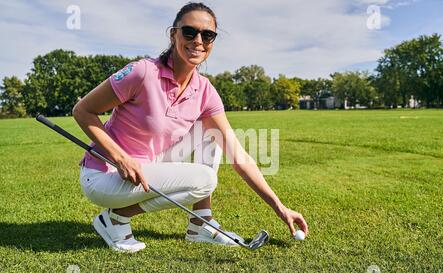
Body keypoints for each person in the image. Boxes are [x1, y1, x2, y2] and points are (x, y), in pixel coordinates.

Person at [73, 2, 308, 253]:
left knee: (212, 134)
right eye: (189, 32)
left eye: (207, 35)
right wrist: (120, 157)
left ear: (212, 42)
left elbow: (238, 156)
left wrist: (279, 207)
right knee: (205, 180)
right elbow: (82, 110)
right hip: (106, 176)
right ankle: (115, 218)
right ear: (173, 34)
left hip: (147, 167)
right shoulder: (142, 72)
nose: (198, 40)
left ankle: (200, 224)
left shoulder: (205, 90)